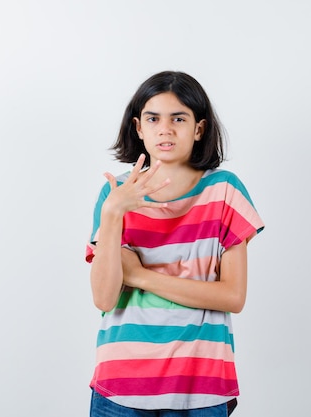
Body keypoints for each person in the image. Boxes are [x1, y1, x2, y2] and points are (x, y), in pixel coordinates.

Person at [85, 71, 265, 417]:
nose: (165, 129)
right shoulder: (114, 195)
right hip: (121, 383)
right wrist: (111, 215)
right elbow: (104, 298)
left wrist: (139, 277)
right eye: (153, 119)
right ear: (139, 128)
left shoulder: (224, 191)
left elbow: (232, 297)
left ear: (199, 128)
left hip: (201, 384)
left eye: (178, 118)